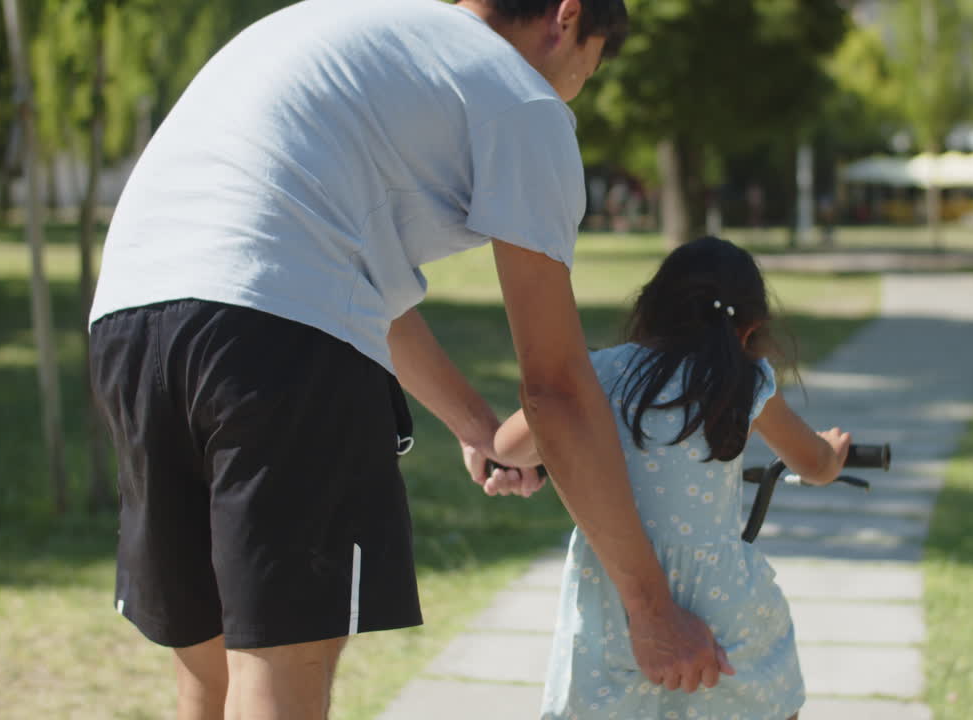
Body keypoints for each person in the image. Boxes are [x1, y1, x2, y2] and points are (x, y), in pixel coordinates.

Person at [87, 1, 733, 718]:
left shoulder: (365, 35)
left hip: (129, 320)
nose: (579, 87)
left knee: (207, 664)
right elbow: (556, 388)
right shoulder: (522, 97)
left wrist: (478, 430)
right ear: (566, 18)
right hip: (273, 343)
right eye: (592, 63)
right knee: (281, 657)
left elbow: (344, 285)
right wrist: (652, 610)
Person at [489, 236, 852, 719]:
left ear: (649, 308)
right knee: (764, 702)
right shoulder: (743, 382)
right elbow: (814, 464)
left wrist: (537, 457)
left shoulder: (598, 373)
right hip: (725, 604)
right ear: (751, 327)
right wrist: (832, 454)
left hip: (613, 605)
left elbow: (508, 446)